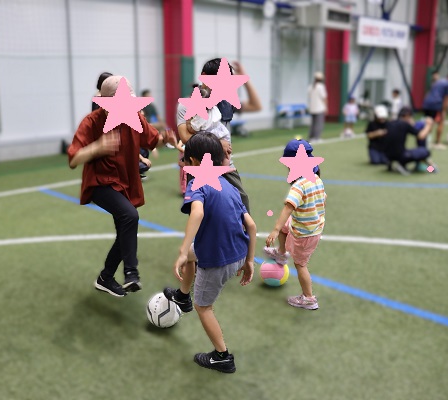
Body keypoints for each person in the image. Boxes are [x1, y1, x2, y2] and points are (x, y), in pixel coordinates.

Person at [67, 76, 177, 297]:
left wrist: (165, 139)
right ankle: (131, 273)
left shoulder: (135, 117)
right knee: (130, 216)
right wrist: (97, 147)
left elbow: (152, 140)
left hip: (125, 183)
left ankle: (105, 277)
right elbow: (73, 159)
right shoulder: (91, 122)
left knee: (125, 230)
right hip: (100, 183)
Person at [163, 132, 256, 374]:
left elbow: (197, 213)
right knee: (192, 254)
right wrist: (249, 261)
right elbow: (252, 225)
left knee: (204, 307)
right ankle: (182, 297)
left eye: (184, 160)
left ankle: (222, 356)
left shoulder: (197, 184)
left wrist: (182, 250)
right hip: (239, 252)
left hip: (217, 259)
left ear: (195, 162)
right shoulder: (229, 186)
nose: (183, 164)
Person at [177, 58, 260, 212]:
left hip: (226, 167)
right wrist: (217, 144)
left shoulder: (227, 102)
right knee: (203, 215)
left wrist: (245, 79)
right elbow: (185, 137)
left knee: (242, 208)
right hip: (199, 169)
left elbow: (255, 106)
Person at [264, 139, 326, 311]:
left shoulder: (298, 186)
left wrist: (275, 230)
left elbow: (288, 208)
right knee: (287, 225)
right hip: (312, 226)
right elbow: (324, 198)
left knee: (300, 265)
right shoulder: (316, 179)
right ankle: (281, 253)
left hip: (304, 233)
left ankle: (308, 298)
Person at [382, 107, 435, 175]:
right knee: (425, 152)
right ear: (407, 116)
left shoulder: (390, 123)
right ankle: (430, 169)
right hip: (404, 156)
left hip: (387, 155)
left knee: (420, 154)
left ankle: (393, 164)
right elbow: (421, 136)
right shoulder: (406, 124)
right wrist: (428, 125)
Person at [422, 72, 448, 149]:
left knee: (428, 122)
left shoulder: (437, 82)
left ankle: (425, 142)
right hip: (436, 104)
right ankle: (438, 143)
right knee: (441, 122)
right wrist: (444, 110)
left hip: (427, 103)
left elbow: (429, 92)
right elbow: (447, 98)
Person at [307, 72, 327, 142]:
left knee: (313, 123)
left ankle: (311, 137)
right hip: (319, 108)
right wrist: (326, 107)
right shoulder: (321, 87)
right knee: (319, 123)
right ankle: (316, 137)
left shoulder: (310, 86)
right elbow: (324, 97)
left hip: (312, 107)